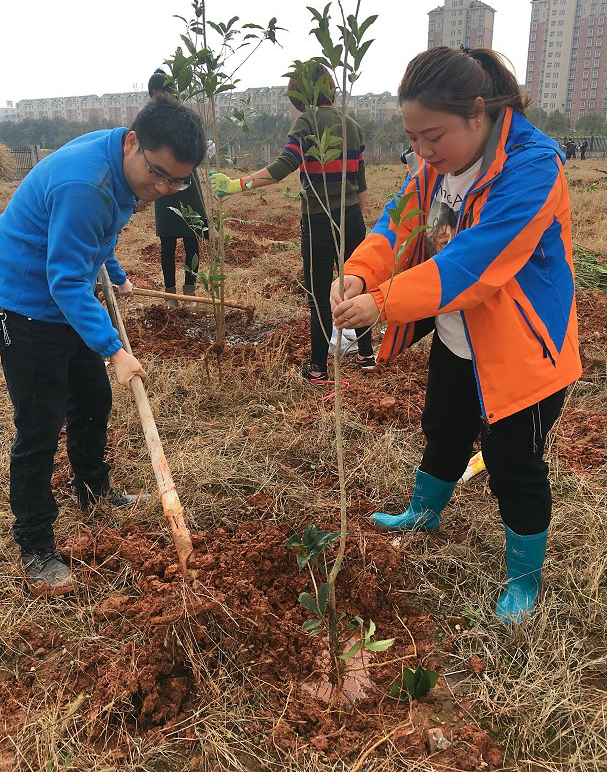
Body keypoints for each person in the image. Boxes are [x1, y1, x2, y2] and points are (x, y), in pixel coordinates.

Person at [331, 46, 582, 624]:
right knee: (442, 426)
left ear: (477, 112)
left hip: (523, 350)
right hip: (455, 334)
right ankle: (425, 512)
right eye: (413, 138)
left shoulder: (533, 167)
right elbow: (398, 220)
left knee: (512, 460)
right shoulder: (435, 168)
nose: (421, 152)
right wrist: (360, 271)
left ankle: (523, 578)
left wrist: (384, 302)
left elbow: (473, 262)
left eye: (432, 136)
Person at [0, 97, 206, 593]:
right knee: (39, 425)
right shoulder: (84, 184)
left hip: (65, 296)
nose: (162, 188)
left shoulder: (122, 163)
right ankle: (35, 544)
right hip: (26, 302)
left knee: (92, 399)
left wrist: (114, 273)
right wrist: (115, 350)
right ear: (133, 143)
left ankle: (93, 490)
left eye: (177, 181)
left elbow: (101, 234)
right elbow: (66, 281)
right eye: (157, 174)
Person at [209, 61, 375, 382]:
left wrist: (236, 184)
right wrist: (358, 221)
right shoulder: (351, 124)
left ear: (300, 92)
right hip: (352, 219)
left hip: (318, 221)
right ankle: (367, 355)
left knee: (318, 294)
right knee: (356, 286)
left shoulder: (306, 123)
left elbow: (283, 166)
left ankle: (317, 368)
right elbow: (362, 181)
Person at [147, 69, 210, 308]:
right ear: (152, 95)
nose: (161, 98)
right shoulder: (150, 122)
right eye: (157, 94)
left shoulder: (185, 116)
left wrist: (202, 148)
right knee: (168, 241)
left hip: (187, 182)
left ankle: (190, 292)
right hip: (163, 182)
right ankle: (171, 294)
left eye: (166, 93)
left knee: (192, 237)